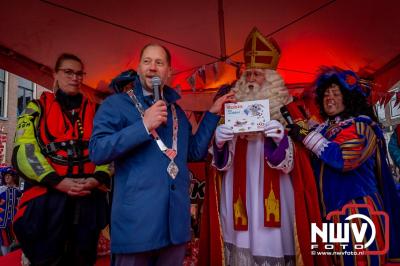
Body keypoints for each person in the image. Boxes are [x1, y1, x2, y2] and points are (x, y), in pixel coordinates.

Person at [89, 43, 233, 266]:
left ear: (169, 72)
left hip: (174, 228)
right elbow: (98, 151)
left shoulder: (175, 111)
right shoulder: (116, 105)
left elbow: (193, 152)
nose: (152, 67)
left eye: (159, 62)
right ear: (138, 68)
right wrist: (143, 126)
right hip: (136, 229)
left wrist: (212, 114)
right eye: (147, 61)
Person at [202, 27, 328, 266]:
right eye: (247, 75)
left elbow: (303, 156)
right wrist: (218, 142)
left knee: (274, 244)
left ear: (270, 79)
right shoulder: (229, 109)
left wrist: (282, 142)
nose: (250, 81)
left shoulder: (290, 110)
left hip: (277, 193)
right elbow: (217, 165)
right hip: (238, 193)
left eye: (257, 75)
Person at [288, 67, 400, 265]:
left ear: (348, 98)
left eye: (336, 93)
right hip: (329, 214)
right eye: (326, 94)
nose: (329, 98)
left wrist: (306, 136)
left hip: (358, 212)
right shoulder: (323, 129)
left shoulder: (361, 126)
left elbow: (344, 159)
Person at [12, 53, 111, 265]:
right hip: (48, 203)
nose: (74, 77)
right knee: (47, 258)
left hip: (88, 200)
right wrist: (58, 182)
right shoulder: (35, 108)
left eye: (79, 73)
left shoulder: (97, 111)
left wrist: (98, 178)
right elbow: (24, 151)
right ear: (55, 73)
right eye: (68, 72)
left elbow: (108, 149)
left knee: (84, 258)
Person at [0, 168, 22, 255]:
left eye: (9, 175)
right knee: (4, 242)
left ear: (13, 177)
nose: (7, 177)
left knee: (10, 242)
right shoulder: (1, 189)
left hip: (12, 222)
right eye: (5, 176)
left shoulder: (18, 191)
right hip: (2, 222)